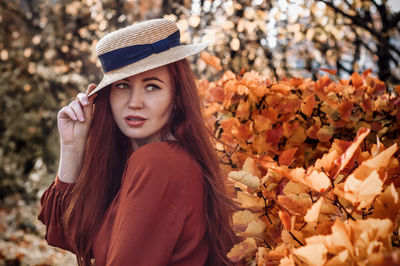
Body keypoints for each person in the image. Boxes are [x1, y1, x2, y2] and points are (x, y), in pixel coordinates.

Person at [38, 18, 237, 266]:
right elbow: (67, 233)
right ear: (108, 96)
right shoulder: (144, 162)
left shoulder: (158, 163)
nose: (134, 102)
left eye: (152, 86)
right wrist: (72, 146)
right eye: (123, 85)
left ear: (176, 97)